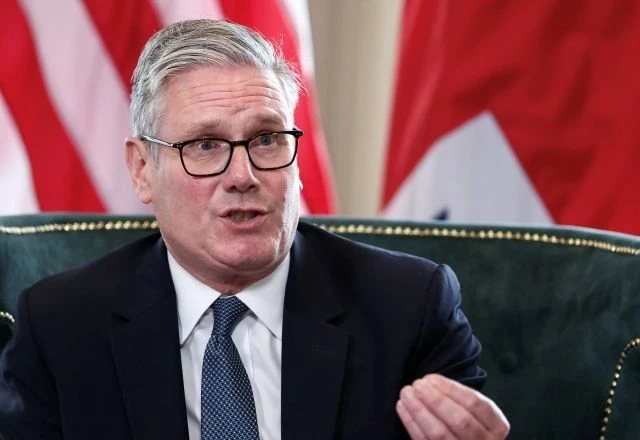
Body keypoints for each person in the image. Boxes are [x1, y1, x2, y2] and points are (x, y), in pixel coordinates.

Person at [0, 19, 509, 440]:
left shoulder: (409, 308)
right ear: (141, 170)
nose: (242, 176)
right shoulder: (62, 327)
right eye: (204, 145)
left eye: (266, 139)